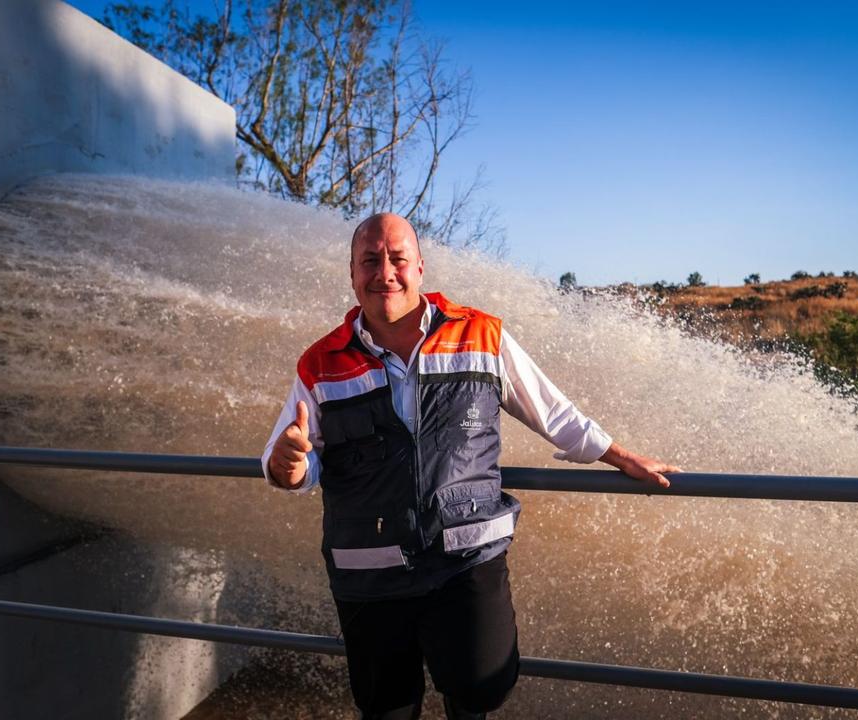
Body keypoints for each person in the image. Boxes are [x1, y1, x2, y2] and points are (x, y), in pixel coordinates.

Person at [262, 213, 679, 720]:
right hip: (368, 573)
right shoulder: (320, 362)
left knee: (481, 688)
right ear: (352, 274)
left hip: (465, 558)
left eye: (397, 259)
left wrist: (619, 455)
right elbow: (290, 457)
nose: (384, 272)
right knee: (386, 707)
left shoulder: (480, 335)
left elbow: (553, 411)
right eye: (369, 261)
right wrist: (288, 466)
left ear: (420, 266)